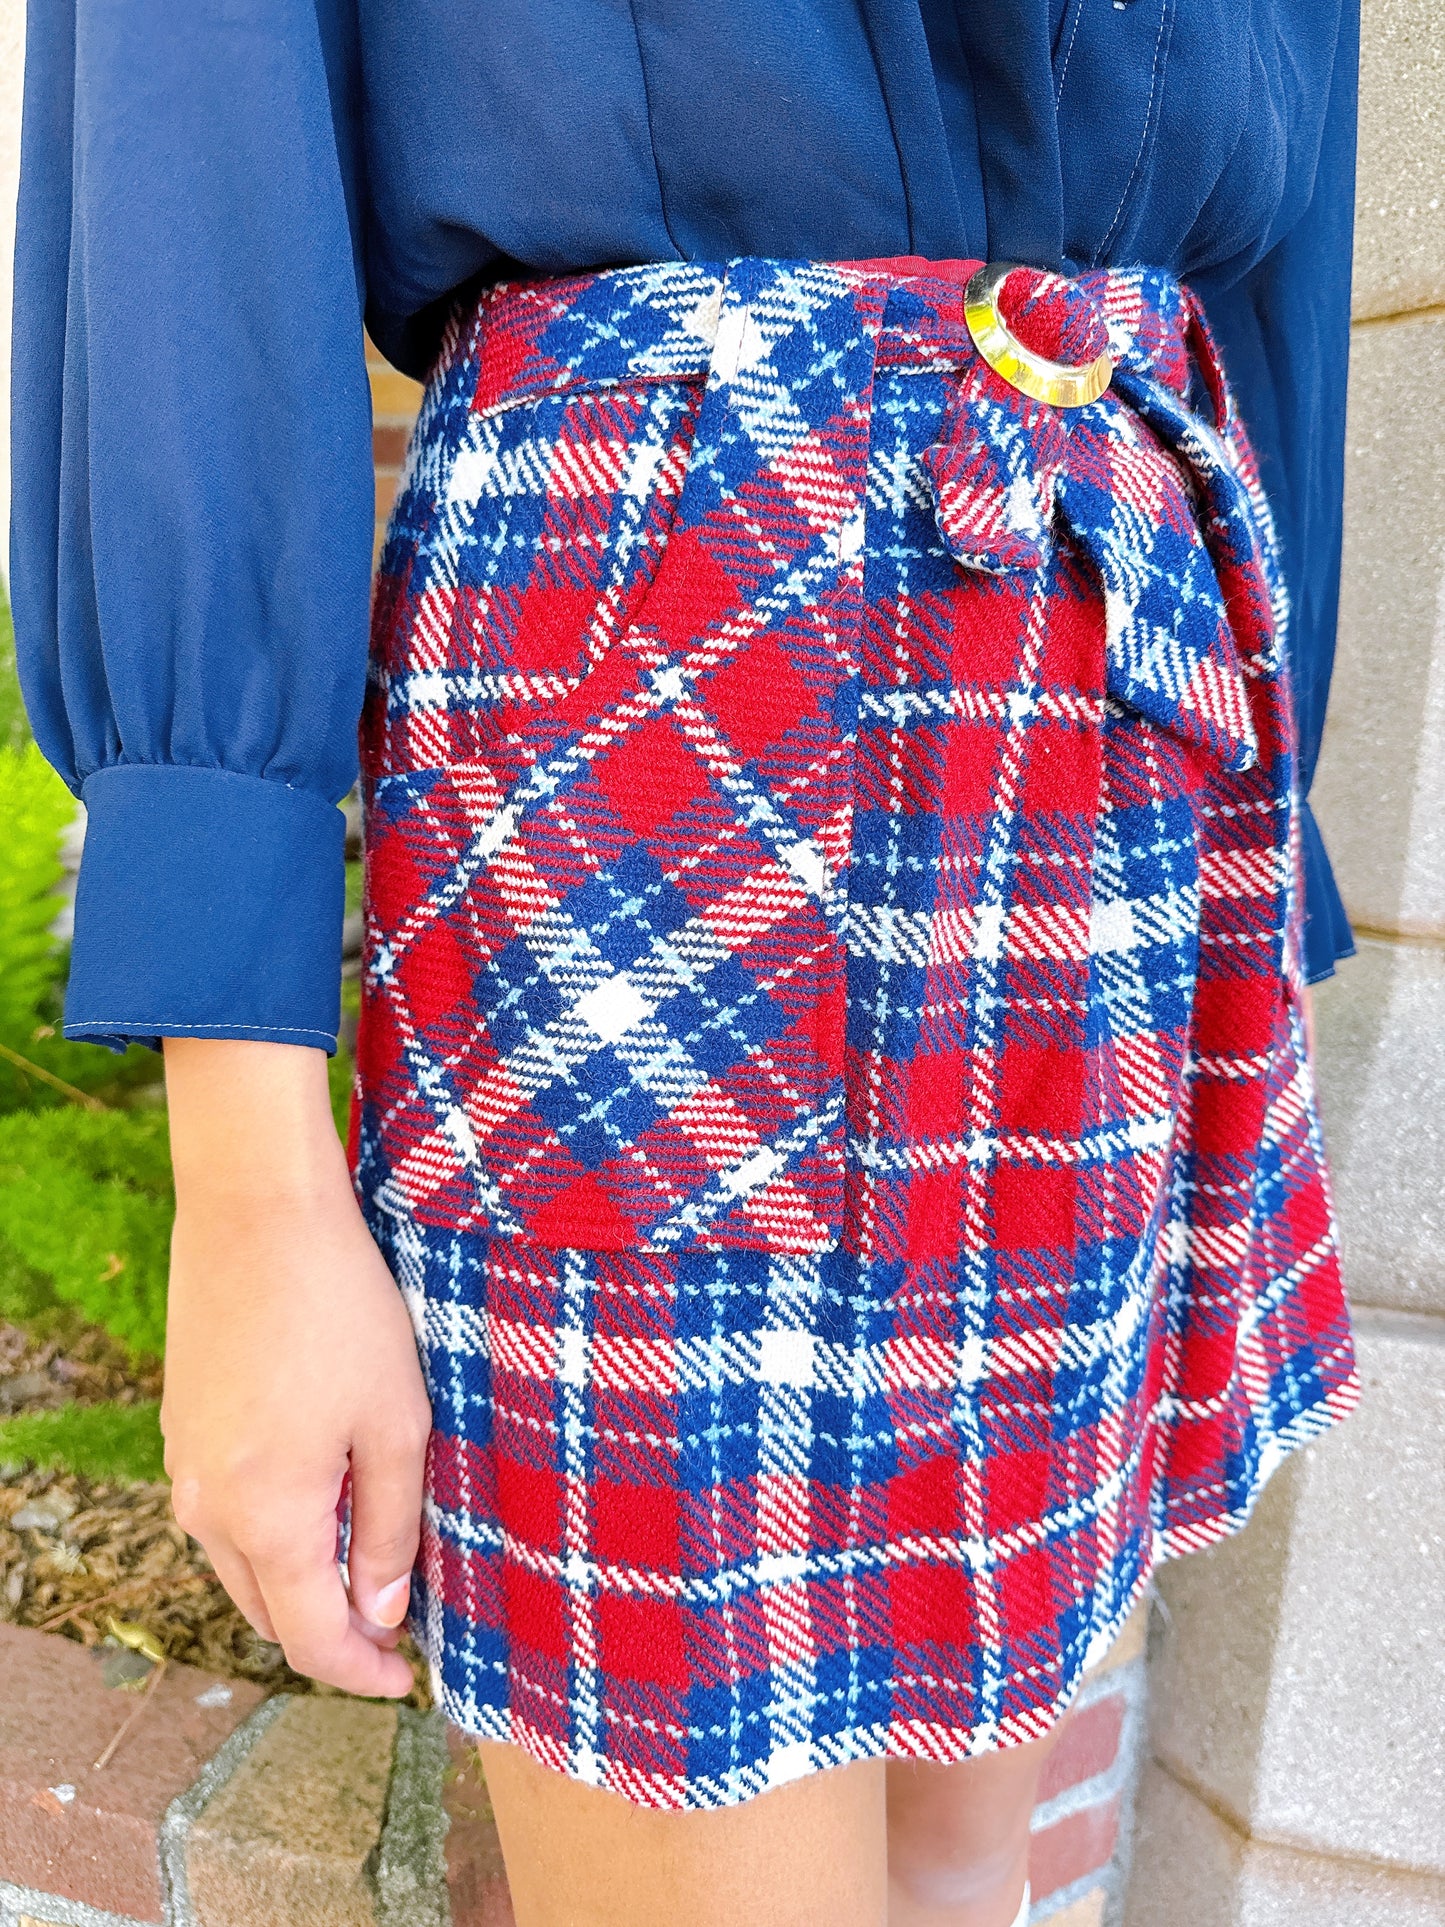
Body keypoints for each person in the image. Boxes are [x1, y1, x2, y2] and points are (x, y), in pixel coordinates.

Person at [11, 6, 1363, 1923]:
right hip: (670, 640)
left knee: (967, 1832)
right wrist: (248, 1171)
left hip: (1114, 698)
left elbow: (1267, 281)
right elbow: (187, 172)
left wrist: (1259, 832)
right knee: (703, 1812)